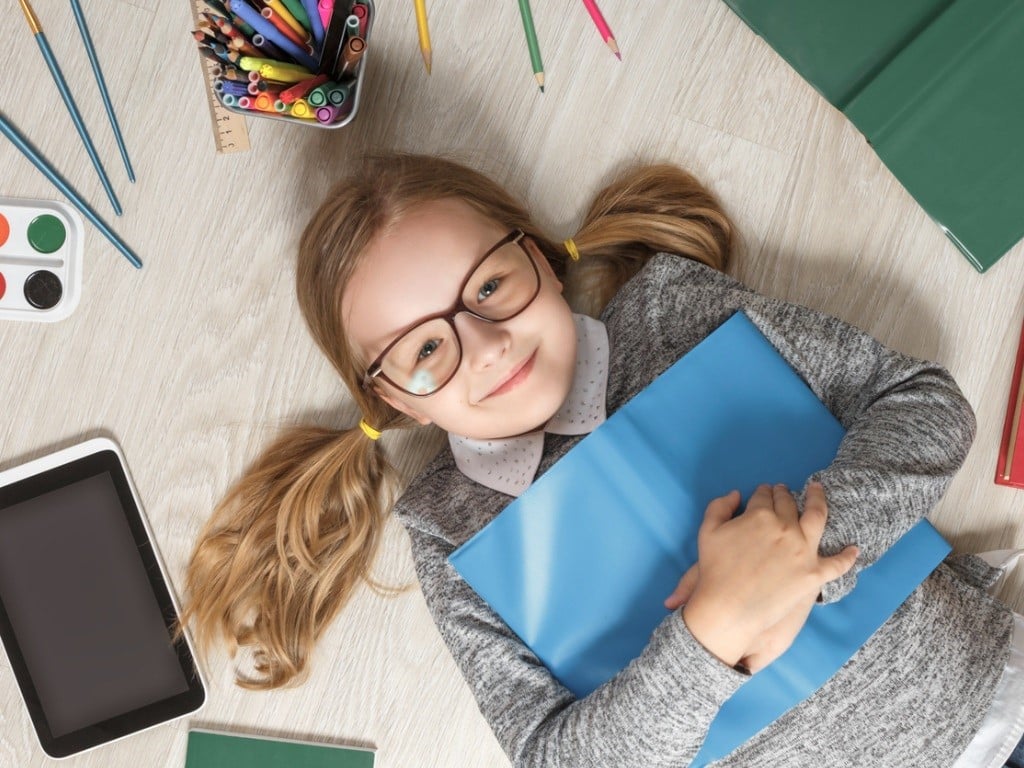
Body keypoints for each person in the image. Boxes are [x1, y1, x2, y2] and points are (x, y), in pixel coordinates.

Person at [181, 153, 1024, 767]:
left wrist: (807, 553)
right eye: (423, 350)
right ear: (395, 399)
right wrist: (712, 634)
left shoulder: (673, 308)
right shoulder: (444, 532)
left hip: (997, 700)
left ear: (540, 259)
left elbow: (926, 405)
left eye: (487, 288)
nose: (484, 346)